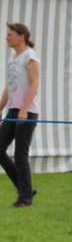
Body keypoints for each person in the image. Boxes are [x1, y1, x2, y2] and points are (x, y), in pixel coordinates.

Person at [0, 22, 40, 207]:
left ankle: (25, 199)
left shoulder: (29, 57)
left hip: (27, 112)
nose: (6, 38)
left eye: (10, 35)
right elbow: (10, 85)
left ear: (21, 37)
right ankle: (26, 188)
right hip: (12, 111)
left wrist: (24, 109)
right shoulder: (13, 58)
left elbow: (34, 84)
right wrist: (1, 107)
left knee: (20, 156)